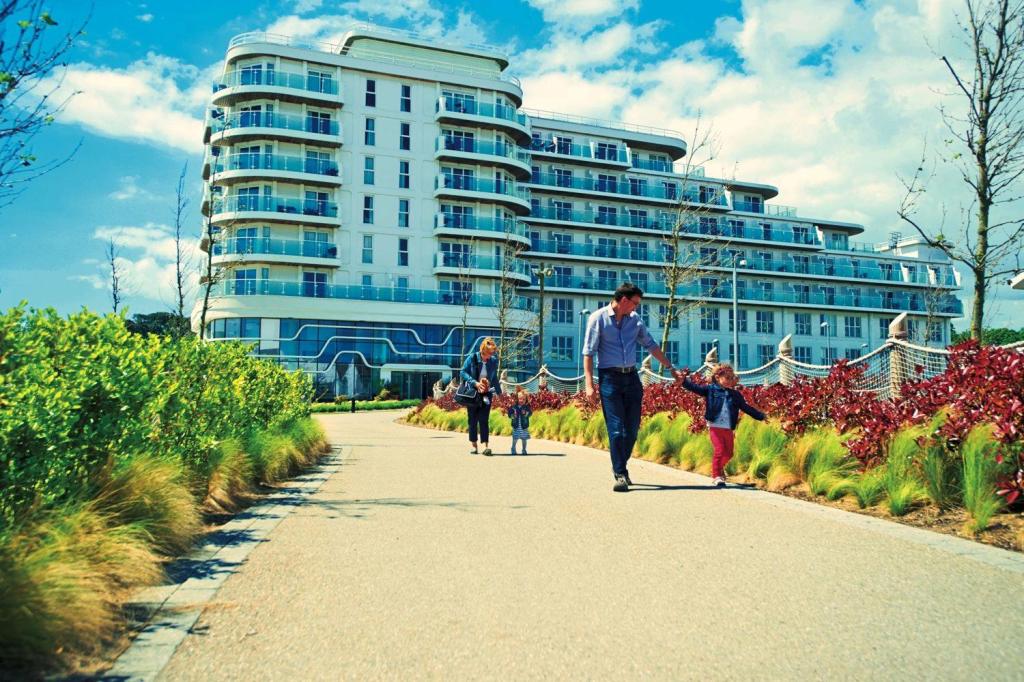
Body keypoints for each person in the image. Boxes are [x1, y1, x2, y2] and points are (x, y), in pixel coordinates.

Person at [583, 282, 684, 492]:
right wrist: (589, 384)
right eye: (635, 303)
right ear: (624, 300)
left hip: (632, 379)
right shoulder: (597, 318)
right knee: (617, 430)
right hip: (609, 379)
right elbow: (589, 353)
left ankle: (622, 465)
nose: (636, 308)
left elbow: (651, 345)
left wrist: (671, 367)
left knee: (631, 430)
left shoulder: (635, 321)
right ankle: (619, 473)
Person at [680, 363, 767, 487]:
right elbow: (695, 388)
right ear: (717, 377)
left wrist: (761, 416)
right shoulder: (710, 390)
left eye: (732, 378)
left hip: (728, 427)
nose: (730, 381)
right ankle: (716, 476)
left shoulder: (736, 395)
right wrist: (683, 381)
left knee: (729, 453)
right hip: (715, 426)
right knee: (720, 450)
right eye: (727, 378)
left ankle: (719, 468)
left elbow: (746, 408)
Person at [460, 337, 500, 455]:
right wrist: (475, 383)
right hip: (473, 393)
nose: (490, 356)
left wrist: (500, 393)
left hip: (486, 394)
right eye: (489, 354)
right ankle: (474, 445)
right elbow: (462, 372)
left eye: (492, 353)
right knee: (472, 420)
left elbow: (494, 378)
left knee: (484, 419)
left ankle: (485, 446)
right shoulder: (472, 358)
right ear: (483, 351)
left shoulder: (493, 361)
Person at [507, 388, 533, 455]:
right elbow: (509, 414)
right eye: (520, 398)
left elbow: (530, 413)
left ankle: (524, 449)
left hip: (524, 426)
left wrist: (525, 413)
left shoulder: (526, 407)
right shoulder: (514, 407)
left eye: (523, 399)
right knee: (515, 438)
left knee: (524, 439)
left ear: (526, 399)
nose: (521, 400)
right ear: (517, 399)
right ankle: (513, 448)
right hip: (516, 426)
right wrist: (513, 416)